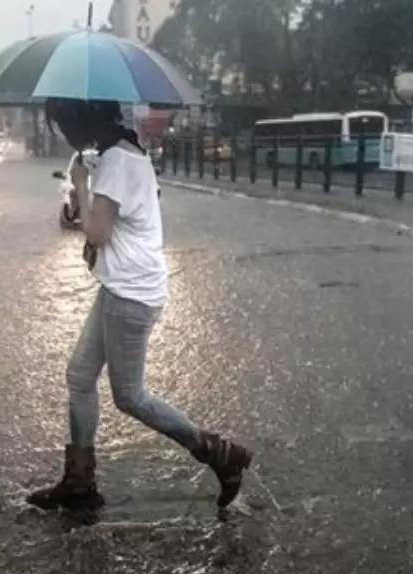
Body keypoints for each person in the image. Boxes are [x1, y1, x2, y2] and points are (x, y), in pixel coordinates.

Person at [26, 98, 253, 513]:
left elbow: (96, 234)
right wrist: (84, 191)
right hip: (120, 287)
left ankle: (219, 453)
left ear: (80, 118)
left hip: (130, 294)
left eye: (61, 122)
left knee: (129, 396)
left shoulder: (117, 162)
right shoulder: (125, 153)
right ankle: (79, 481)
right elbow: (96, 221)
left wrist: (79, 181)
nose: (61, 131)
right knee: (79, 376)